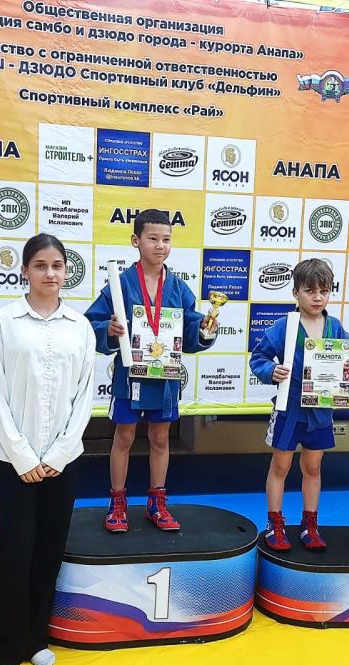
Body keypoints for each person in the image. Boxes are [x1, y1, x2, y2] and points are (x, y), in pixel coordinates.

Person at [0, 233, 95, 665]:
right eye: (41, 265)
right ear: (25, 270)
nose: (50, 273)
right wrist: (23, 456)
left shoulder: (79, 327)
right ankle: (7, 646)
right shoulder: (2, 322)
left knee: (49, 551)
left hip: (62, 461)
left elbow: (84, 398)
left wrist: (60, 454)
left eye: (57, 265)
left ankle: (36, 640)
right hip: (13, 461)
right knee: (15, 551)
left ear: (66, 272)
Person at [85, 209, 217, 533]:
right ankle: (117, 502)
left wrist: (205, 330)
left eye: (166, 239)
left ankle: (157, 502)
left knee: (160, 437)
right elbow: (90, 323)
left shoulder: (179, 288)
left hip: (165, 376)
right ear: (136, 240)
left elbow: (190, 329)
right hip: (130, 374)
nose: (160, 245)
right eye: (153, 238)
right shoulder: (119, 285)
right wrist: (108, 330)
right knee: (125, 435)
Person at [250, 259, 349, 550]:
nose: (317, 297)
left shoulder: (335, 327)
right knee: (281, 466)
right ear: (296, 292)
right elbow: (259, 358)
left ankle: (310, 524)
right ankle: (275, 523)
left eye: (323, 291)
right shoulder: (284, 326)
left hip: (321, 411)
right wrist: (270, 371)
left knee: (313, 467)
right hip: (289, 410)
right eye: (310, 291)